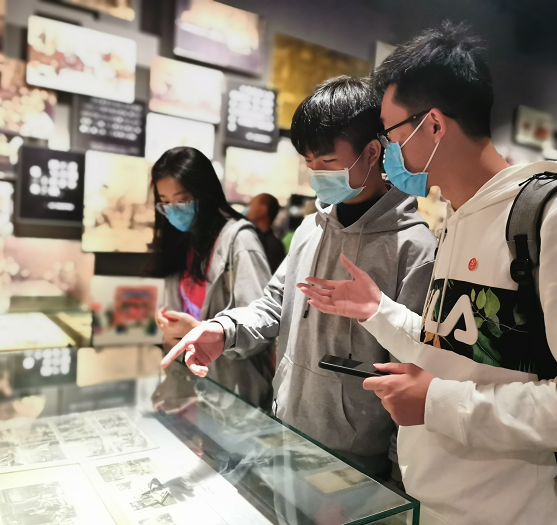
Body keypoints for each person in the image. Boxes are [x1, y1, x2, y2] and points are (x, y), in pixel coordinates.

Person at [298, 23, 557, 525]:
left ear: (433, 126)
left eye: (390, 134)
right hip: (435, 503)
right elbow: (464, 347)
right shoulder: (461, 217)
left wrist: (437, 402)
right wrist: (378, 311)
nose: (387, 152)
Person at [162, 76, 437, 476]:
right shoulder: (310, 229)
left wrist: (396, 479)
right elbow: (273, 304)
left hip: (358, 462)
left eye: (327, 162)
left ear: (371, 152)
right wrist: (223, 330)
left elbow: (410, 376)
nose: (316, 174)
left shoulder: (414, 248)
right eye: (309, 163)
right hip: (285, 432)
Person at [147, 147, 274, 409]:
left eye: (182, 200)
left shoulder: (239, 240)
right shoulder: (182, 241)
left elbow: (263, 326)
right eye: (165, 203)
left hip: (233, 396)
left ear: (203, 193)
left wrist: (198, 331)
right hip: (191, 391)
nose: (173, 211)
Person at [245, 193, 285, 273]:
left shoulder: (273, 246)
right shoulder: (252, 238)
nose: (247, 210)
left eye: (251, 205)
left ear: (263, 210)